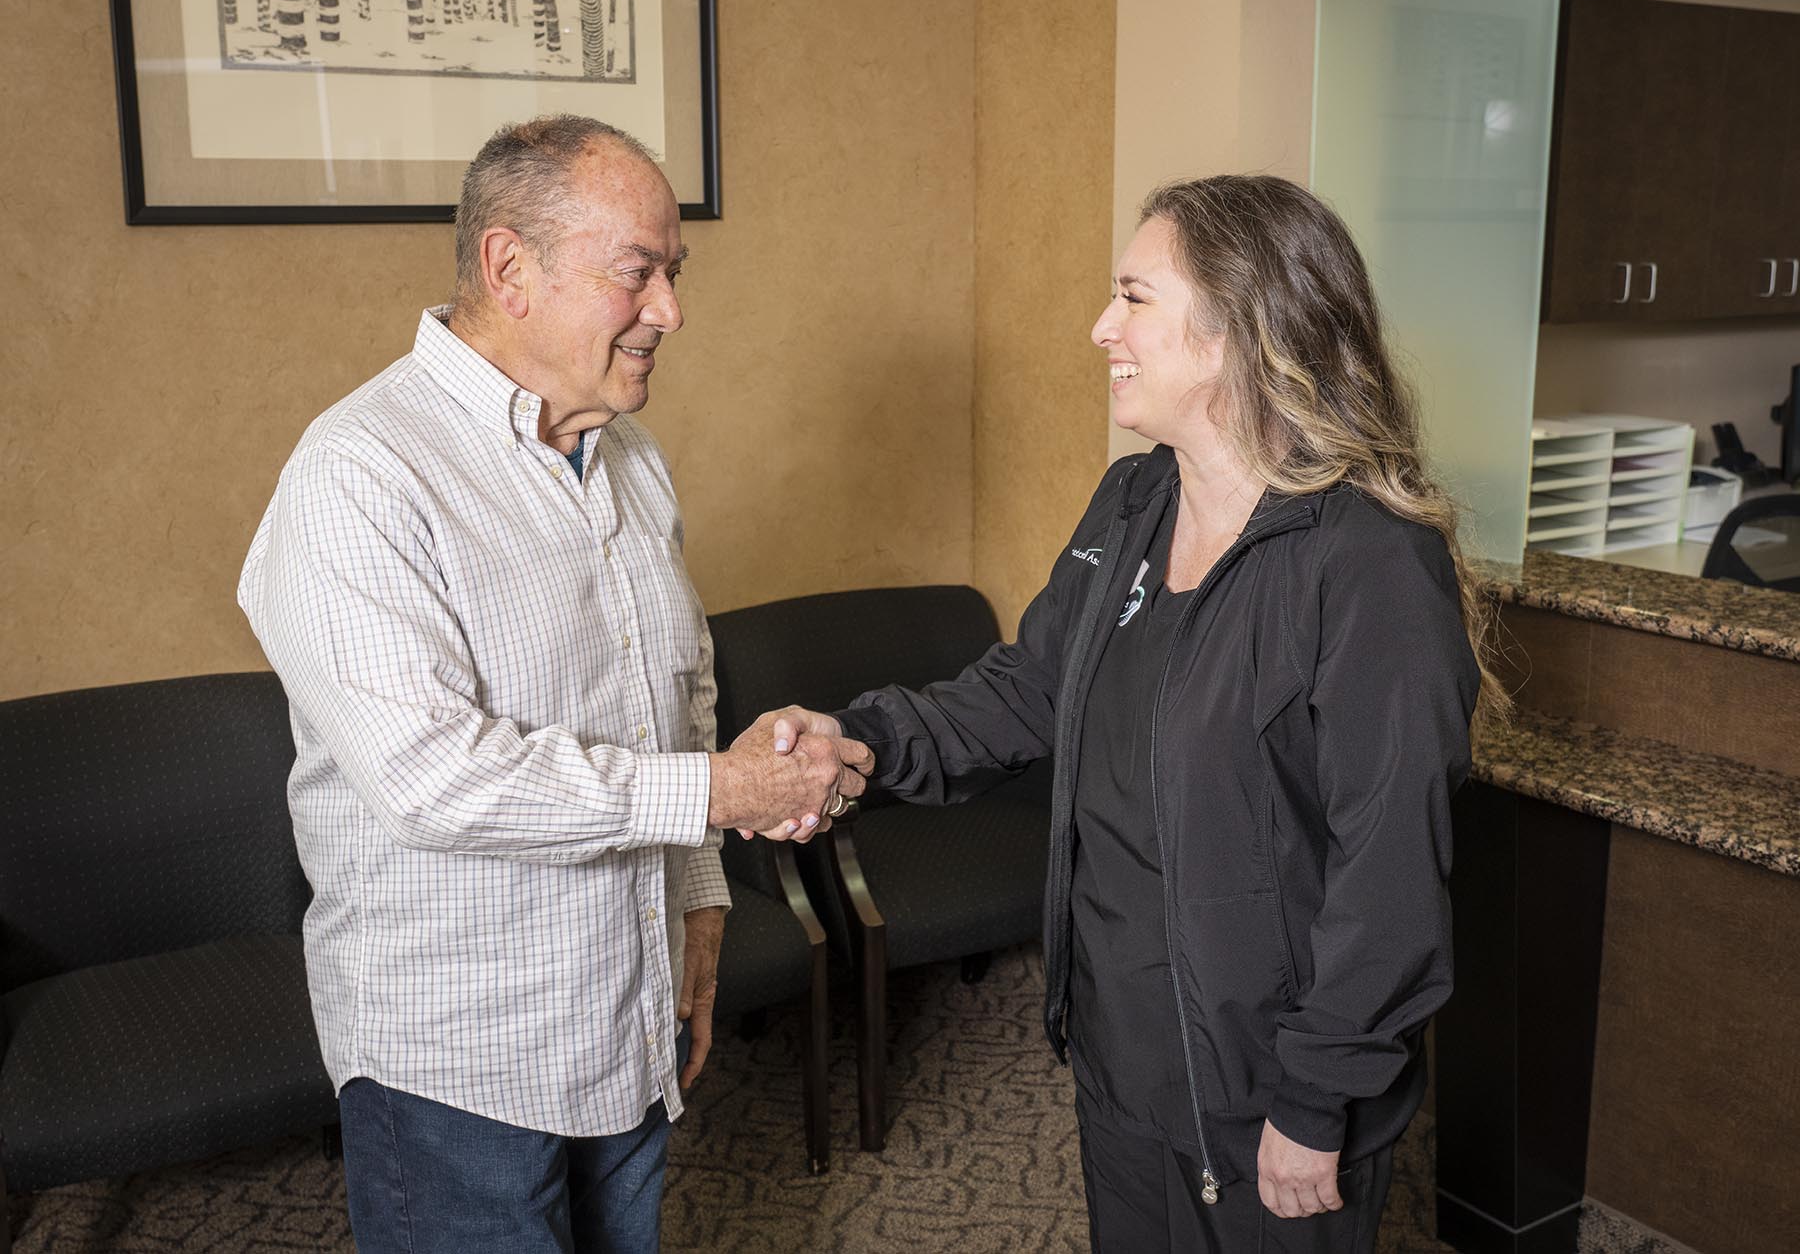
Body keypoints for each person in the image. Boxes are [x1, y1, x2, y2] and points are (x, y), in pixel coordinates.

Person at [759, 175, 1502, 1252]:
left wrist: (1317, 1099)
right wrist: (863, 737)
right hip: (1121, 1039)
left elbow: (1386, 871)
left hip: (1265, 1084)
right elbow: (1033, 687)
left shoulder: (1370, 565)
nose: (1100, 326)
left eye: (1134, 296)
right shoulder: (1133, 500)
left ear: (1239, 329)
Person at [237, 115, 869, 1254]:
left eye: (674, 272)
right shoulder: (359, 476)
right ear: (508, 268)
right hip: (457, 1058)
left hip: (625, 1012)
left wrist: (702, 898)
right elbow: (430, 777)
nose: (672, 309)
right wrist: (721, 796)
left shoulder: (629, 455)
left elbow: (678, 697)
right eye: (639, 271)